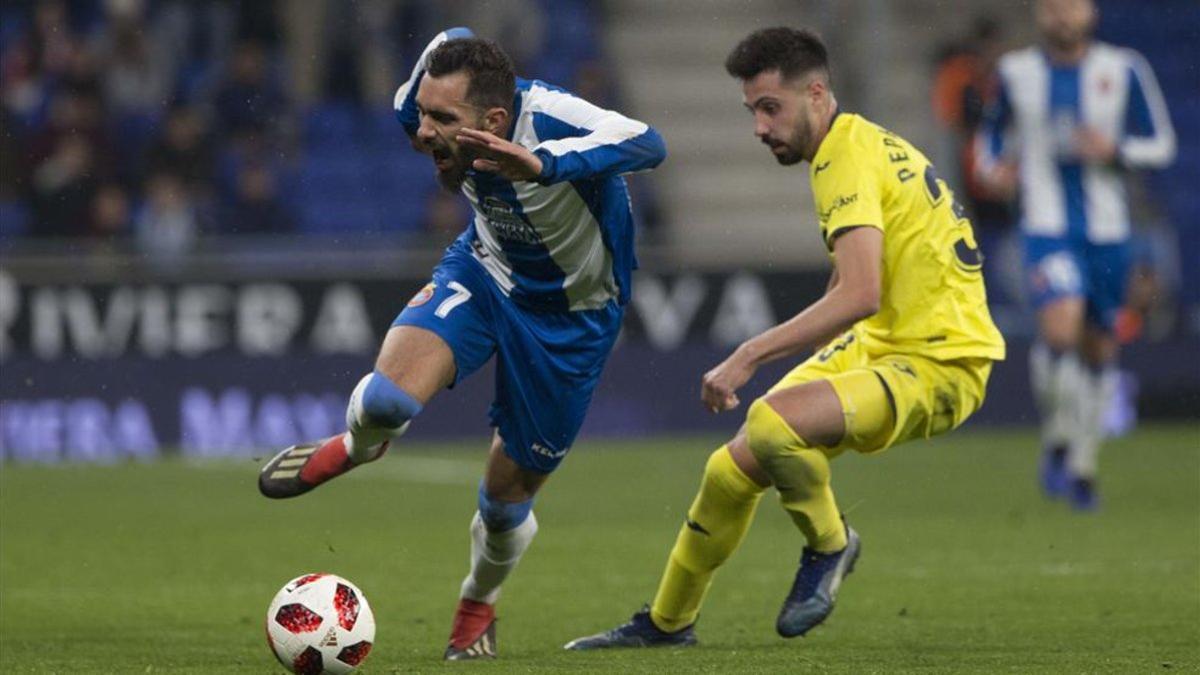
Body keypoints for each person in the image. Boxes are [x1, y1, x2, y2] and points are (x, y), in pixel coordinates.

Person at [565, 26, 1005, 650]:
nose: (759, 127)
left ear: (817, 93)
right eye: (752, 111)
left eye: (770, 108)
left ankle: (831, 544)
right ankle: (667, 622)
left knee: (773, 424)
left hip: (941, 361)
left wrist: (748, 355)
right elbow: (856, 283)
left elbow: (860, 293)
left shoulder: (843, 159)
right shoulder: (858, 145)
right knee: (731, 466)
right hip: (888, 338)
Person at [257, 28, 665, 660]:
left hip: (572, 319)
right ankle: (355, 446)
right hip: (484, 271)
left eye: (442, 120)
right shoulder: (417, 111)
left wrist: (543, 165)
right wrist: (440, 74)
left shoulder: (551, 117)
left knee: (505, 503)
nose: (423, 133)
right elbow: (451, 38)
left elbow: (648, 142)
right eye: (423, 113)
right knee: (387, 402)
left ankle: (478, 602)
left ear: (496, 120)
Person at [975, 0, 1174, 510]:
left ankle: (1080, 464)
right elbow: (990, 135)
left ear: (1091, 13)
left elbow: (1161, 143)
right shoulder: (1016, 72)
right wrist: (995, 168)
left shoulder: (1122, 68)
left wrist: (1115, 151)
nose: (1061, 15)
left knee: (1100, 348)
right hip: (1047, 227)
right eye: (1052, 7)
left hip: (1109, 231)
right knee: (1060, 329)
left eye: (1071, 6)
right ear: (1040, 15)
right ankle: (1060, 434)